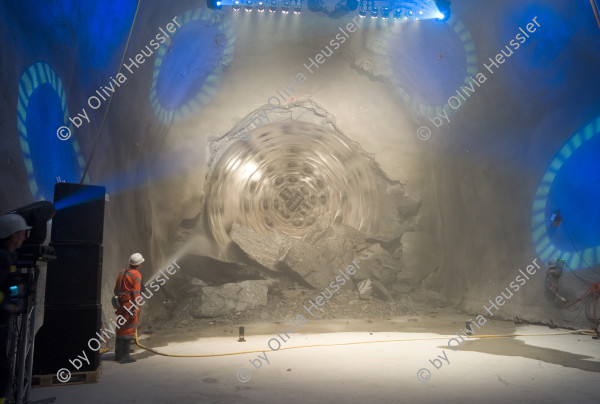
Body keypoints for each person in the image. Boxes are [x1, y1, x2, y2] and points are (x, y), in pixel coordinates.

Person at [0, 214, 31, 404]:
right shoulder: (2, 257)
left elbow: (9, 282)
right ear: (14, 235)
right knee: (1, 371)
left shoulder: (9, 256)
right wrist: (7, 304)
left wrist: (15, 295)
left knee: (2, 370)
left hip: (2, 321)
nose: (25, 238)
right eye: (22, 233)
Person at [113, 253, 146, 364]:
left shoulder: (122, 272)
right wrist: (135, 307)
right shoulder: (136, 274)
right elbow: (136, 293)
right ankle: (125, 356)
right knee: (129, 328)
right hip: (130, 304)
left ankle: (118, 353)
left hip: (120, 304)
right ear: (139, 264)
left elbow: (116, 289)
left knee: (120, 327)